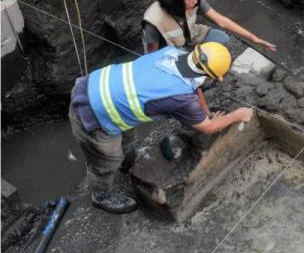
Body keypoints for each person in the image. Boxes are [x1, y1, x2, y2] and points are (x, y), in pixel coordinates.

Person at [68, 42, 254, 214]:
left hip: (97, 84)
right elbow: (208, 128)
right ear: (208, 75)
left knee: (128, 135)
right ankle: (100, 196)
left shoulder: (174, 53)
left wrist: (204, 110)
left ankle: (128, 160)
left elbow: (195, 87)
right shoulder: (179, 98)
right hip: (91, 113)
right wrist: (237, 115)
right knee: (106, 160)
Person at [142, 0, 276, 53]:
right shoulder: (153, 22)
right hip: (171, 49)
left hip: (192, 35)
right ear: (174, 0)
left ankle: (194, 56)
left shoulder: (195, 2)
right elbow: (152, 53)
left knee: (222, 38)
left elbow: (221, 21)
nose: (195, 1)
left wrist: (253, 38)